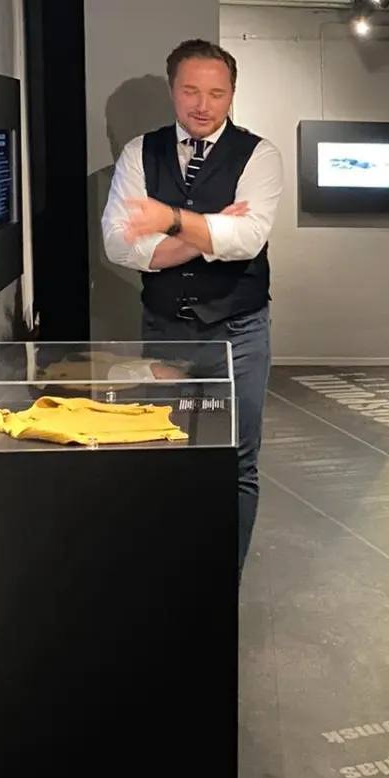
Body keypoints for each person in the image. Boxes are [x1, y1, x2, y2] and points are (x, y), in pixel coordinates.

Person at [101, 39, 283, 579]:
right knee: (166, 449)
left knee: (237, 460)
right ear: (172, 90)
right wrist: (206, 231)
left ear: (232, 94)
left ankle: (223, 582)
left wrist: (168, 221)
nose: (203, 105)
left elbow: (246, 239)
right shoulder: (139, 153)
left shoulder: (260, 155)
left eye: (216, 93)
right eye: (190, 91)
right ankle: (174, 578)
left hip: (239, 333)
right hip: (165, 329)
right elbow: (119, 245)